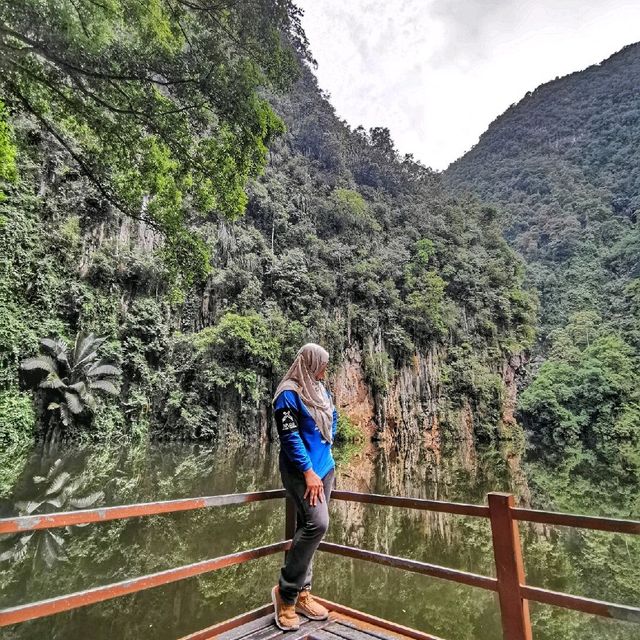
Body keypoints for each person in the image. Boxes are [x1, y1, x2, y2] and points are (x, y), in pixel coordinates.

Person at [271, 343, 338, 631]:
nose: (325, 368)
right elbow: (289, 437)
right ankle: (285, 594)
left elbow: (333, 418)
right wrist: (308, 471)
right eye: (322, 363)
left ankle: (303, 594)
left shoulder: (321, 389)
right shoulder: (289, 393)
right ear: (310, 362)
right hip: (303, 472)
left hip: (325, 469)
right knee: (317, 524)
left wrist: (326, 457)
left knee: (306, 529)